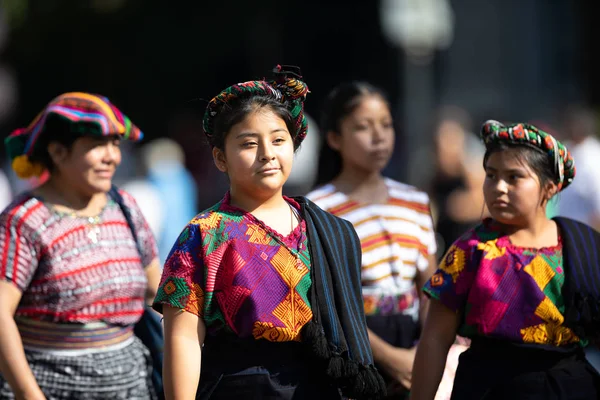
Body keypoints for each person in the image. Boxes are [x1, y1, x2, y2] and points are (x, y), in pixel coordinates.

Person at [152, 66, 386, 400]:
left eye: (278, 140)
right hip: (239, 388)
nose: (267, 154)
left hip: (320, 386)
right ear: (221, 158)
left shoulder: (330, 230)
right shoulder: (203, 235)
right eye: (249, 143)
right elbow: (184, 337)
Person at [411, 120, 600, 400]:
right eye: (491, 175)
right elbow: (436, 338)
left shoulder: (582, 246)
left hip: (567, 390)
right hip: (487, 389)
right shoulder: (470, 250)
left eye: (514, 177)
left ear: (550, 188)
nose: (499, 187)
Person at [0, 92, 161, 399]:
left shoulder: (124, 206)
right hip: (50, 388)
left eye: (115, 143)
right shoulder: (25, 221)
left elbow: (158, 293)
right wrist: (29, 395)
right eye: (97, 145)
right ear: (58, 152)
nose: (112, 156)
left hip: (133, 387)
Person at [305, 82, 442, 398]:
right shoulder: (318, 207)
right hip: (355, 345)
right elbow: (326, 303)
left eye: (386, 124)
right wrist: (390, 359)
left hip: (416, 343)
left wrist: (424, 352)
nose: (379, 136)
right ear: (335, 138)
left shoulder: (414, 200)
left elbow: (430, 289)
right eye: (363, 127)